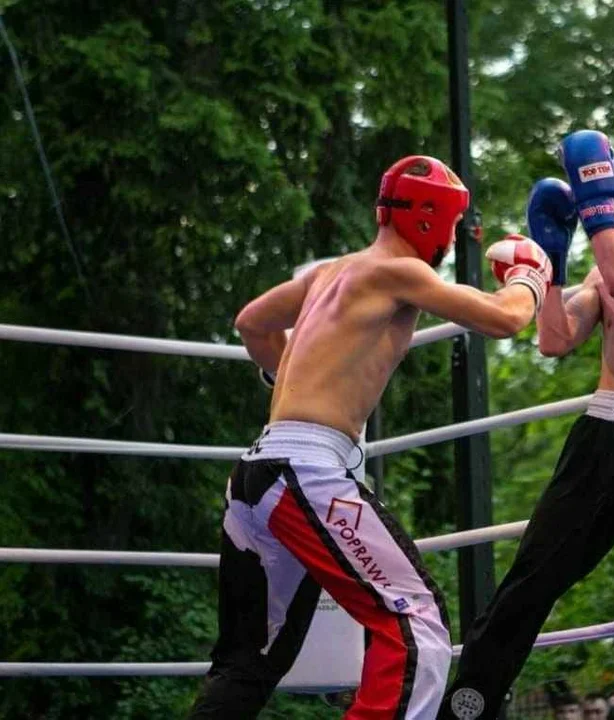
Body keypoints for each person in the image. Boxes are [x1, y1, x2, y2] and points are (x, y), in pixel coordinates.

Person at [187, 155, 552, 719]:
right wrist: (531, 273)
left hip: (257, 476)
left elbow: (252, 323)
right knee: (415, 624)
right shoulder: (401, 271)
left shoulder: (327, 273)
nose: (453, 239)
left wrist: (295, 378)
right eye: (453, 225)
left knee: (248, 661)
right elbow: (505, 319)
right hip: (307, 473)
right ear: (431, 218)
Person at [438, 130, 614, 720]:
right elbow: (553, 340)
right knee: (525, 589)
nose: (611, 228)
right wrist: (551, 265)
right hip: (599, 439)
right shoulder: (603, 271)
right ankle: (465, 711)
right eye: (604, 212)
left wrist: (594, 211)